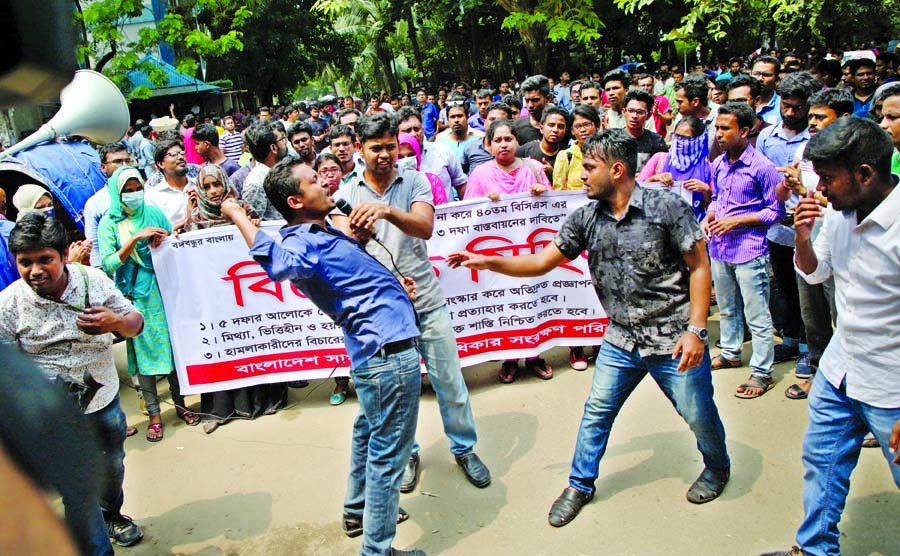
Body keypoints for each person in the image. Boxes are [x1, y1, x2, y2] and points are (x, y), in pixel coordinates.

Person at [447, 128, 730, 528]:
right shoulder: (584, 217)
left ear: (616, 170)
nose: (581, 174)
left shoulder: (666, 207)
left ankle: (717, 467)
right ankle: (580, 484)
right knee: (596, 413)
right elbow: (541, 262)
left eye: (589, 167)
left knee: (698, 413)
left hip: (673, 338)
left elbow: (700, 266)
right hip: (619, 339)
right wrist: (487, 261)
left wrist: (696, 331)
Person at [221, 157, 426, 556]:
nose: (326, 182)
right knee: (388, 459)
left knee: (369, 434)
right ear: (296, 201)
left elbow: (350, 281)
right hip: (387, 357)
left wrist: (392, 286)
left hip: (377, 353)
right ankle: (377, 550)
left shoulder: (325, 232)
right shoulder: (302, 242)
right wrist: (235, 216)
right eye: (315, 181)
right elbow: (277, 265)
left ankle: (356, 512)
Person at [760, 117, 900, 556]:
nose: (818, 187)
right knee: (821, 465)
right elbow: (815, 270)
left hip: (890, 387)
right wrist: (802, 235)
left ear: (864, 174)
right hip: (840, 371)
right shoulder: (840, 211)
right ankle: (815, 549)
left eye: (827, 177)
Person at [332, 112, 490, 498]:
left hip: (426, 298)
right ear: (359, 149)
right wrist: (356, 233)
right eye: (376, 148)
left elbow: (425, 227)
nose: (385, 155)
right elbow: (342, 248)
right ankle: (408, 455)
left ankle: (464, 448)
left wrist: (387, 211)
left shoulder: (414, 179)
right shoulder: (346, 193)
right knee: (399, 393)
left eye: (391, 147)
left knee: (449, 381)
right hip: (382, 313)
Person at [0, 212, 146, 552]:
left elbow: (136, 324)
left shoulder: (93, 282)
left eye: (44, 260)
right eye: (25, 262)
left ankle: (112, 514)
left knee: (111, 469)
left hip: (104, 402)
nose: (35, 271)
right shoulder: (9, 305)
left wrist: (115, 322)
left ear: (64, 255)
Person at [99, 167, 198, 441]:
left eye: (136, 188)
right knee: (145, 357)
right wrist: (134, 239)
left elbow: (173, 246)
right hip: (136, 297)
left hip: (164, 290)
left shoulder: (153, 213)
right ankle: (154, 415)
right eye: (127, 190)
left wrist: (164, 238)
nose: (133, 194)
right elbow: (108, 263)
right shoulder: (110, 222)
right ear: (117, 194)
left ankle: (181, 404)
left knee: (174, 350)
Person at [463, 119, 554, 383]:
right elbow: (467, 216)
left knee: (534, 301)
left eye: (508, 139)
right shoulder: (480, 174)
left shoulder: (534, 168)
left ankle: (536, 356)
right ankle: (510, 358)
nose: (503, 145)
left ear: (517, 142)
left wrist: (541, 193)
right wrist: (484, 202)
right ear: (488, 145)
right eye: (498, 140)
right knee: (506, 303)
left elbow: (554, 210)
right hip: (498, 255)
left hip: (531, 252)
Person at [702, 102, 783, 398]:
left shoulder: (762, 167)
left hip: (750, 250)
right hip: (721, 249)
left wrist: (736, 220)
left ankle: (762, 371)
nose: (719, 134)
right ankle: (730, 350)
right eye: (717, 128)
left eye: (726, 128)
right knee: (726, 307)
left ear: (745, 131)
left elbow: (775, 211)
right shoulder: (720, 163)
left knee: (756, 314)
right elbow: (717, 199)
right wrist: (711, 216)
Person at [637, 115, 713, 222]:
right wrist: (654, 179)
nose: (679, 141)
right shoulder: (660, 159)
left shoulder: (708, 168)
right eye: (676, 136)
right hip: (659, 225)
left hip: (694, 226)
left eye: (685, 138)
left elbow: (715, 205)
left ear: (697, 139)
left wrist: (706, 190)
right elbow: (635, 191)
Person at [12, 184, 91, 264]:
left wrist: (77, 250)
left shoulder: (52, 230)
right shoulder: (23, 239)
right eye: (40, 207)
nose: (48, 210)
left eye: (50, 205)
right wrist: (71, 261)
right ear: (26, 211)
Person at [243, 121, 289, 221]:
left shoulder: (283, 170)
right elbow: (253, 224)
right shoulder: (256, 183)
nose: (285, 143)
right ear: (273, 148)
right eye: (282, 139)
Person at [515, 105, 570, 183]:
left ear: (565, 131)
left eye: (560, 126)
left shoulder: (569, 154)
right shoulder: (524, 151)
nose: (555, 130)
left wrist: (554, 173)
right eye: (551, 125)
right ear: (541, 128)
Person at [553, 104, 600, 191]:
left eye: (587, 124)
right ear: (572, 130)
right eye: (578, 126)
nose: (582, 130)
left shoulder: (606, 153)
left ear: (597, 125)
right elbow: (559, 193)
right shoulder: (566, 156)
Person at [397, 133, 448, 205]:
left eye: (411, 155)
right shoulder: (389, 185)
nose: (406, 160)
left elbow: (443, 210)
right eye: (400, 157)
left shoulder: (432, 180)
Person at [512, 75, 552, 144]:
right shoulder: (517, 127)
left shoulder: (560, 125)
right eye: (527, 100)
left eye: (535, 100)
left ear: (548, 99)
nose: (530, 105)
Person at [751, 56, 783, 125]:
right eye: (756, 74)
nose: (760, 79)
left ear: (776, 79)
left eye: (766, 75)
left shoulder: (783, 106)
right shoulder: (740, 101)